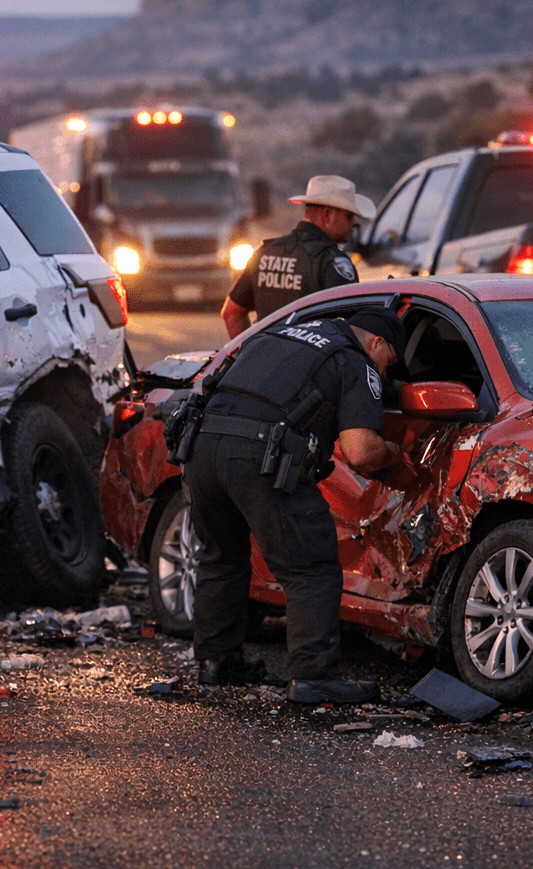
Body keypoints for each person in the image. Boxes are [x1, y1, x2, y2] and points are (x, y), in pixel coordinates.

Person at [184, 305, 406, 703]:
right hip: (260, 457)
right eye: (389, 361)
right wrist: (393, 454)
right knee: (312, 567)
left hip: (202, 451)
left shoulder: (278, 334)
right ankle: (313, 678)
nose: (386, 373)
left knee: (221, 556)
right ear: (376, 342)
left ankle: (216, 662)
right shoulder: (354, 361)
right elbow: (360, 451)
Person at [221, 175, 376, 338]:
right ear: (328, 215)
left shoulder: (264, 252)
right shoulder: (334, 262)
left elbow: (231, 314)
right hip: (311, 362)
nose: (355, 223)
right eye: (349, 216)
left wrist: (247, 354)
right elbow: (352, 329)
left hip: (264, 359)